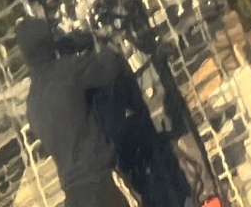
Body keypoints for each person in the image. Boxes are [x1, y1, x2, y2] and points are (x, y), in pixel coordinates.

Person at [16, 15, 194, 207]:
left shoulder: (32, 103)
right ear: (49, 42)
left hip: (73, 193)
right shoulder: (66, 71)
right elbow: (110, 66)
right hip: (99, 184)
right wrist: (99, 41)